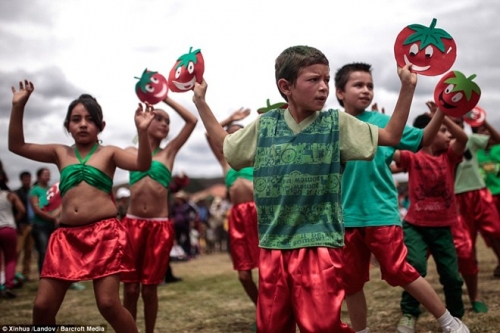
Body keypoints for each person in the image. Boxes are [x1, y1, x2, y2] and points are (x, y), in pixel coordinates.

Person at [192, 45, 417, 333]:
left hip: (319, 244)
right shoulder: (265, 126)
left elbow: (392, 136)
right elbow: (227, 147)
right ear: (286, 87)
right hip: (273, 246)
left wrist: (408, 88)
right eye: (313, 80)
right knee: (273, 326)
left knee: (322, 326)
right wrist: (200, 103)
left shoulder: (337, 124)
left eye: (326, 79)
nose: (323, 87)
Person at [8, 80, 154, 332]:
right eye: (76, 119)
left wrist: (142, 132)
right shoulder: (59, 152)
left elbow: (142, 164)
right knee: (42, 308)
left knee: (108, 304)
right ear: (68, 126)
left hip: (104, 235)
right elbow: (16, 145)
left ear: (101, 126)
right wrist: (18, 107)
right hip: (65, 238)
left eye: (90, 119)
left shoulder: (109, 153)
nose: (83, 124)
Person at [335, 63, 469, 333]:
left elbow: (424, 139)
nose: (366, 90)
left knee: (399, 270)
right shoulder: (333, 125)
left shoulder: (385, 124)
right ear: (340, 93)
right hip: (345, 217)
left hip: (380, 212)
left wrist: (442, 110)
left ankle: (450, 322)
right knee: (350, 282)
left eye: (370, 86)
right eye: (358, 85)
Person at [121, 96, 197, 333]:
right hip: (132, 225)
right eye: (159, 119)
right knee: (130, 289)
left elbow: (192, 120)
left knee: (150, 289)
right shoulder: (130, 151)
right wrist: (140, 129)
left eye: (167, 122)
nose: (165, 124)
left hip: (159, 226)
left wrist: (165, 98)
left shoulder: (169, 153)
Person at [392, 112, 469, 333]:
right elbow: (391, 152)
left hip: (443, 227)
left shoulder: (449, 156)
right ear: (428, 133)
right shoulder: (413, 156)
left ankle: (455, 316)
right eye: (442, 131)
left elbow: (463, 139)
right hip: (415, 226)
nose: (448, 136)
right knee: (414, 268)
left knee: (452, 277)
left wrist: (442, 116)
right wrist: (388, 129)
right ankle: (409, 313)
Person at [445, 109, 500, 313]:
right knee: (466, 245)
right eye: (453, 123)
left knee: (497, 231)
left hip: (479, 194)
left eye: (460, 123)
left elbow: (497, 139)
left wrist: (484, 120)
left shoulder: (472, 139)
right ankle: (472, 285)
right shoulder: (443, 146)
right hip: (458, 198)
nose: (457, 126)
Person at [206, 107, 259, 307]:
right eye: (230, 133)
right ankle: (261, 306)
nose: (234, 135)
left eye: (239, 132)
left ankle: (275, 313)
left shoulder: (256, 156)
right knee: (244, 275)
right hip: (237, 216)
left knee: (270, 268)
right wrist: (231, 119)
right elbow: (208, 133)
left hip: (259, 212)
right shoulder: (224, 160)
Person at [474, 122, 500, 278]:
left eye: (486, 130)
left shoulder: (498, 148)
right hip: (486, 197)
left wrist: (484, 122)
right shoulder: (474, 151)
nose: (484, 133)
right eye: (480, 131)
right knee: (493, 232)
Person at [0, 168, 25, 298]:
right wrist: (14, 221)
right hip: (8, 229)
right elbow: (22, 210)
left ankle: (0, 284)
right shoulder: (10, 195)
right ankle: (9, 285)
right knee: (10, 259)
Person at [29, 167, 56, 274]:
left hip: (52, 224)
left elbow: (59, 204)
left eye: (49, 174)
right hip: (40, 225)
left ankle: (55, 274)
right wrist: (50, 217)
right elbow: (36, 209)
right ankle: (44, 275)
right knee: (43, 251)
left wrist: (55, 216)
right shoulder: (35, 190)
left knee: (55, 251)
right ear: (39, 177)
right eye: (45, 174)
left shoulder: (52, 189)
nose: (48, 176)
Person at [14, 171, 34, 281]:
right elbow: (15, 210)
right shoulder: (16, 193)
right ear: (21, 180)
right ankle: (12, 274)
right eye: (26, 179)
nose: (28, 181)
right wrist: (17, 224)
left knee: (29, 251)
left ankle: (26, 274)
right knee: (17, 250)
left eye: (29, 178)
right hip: (21, 225)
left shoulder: (33, 192)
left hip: (32, 224)